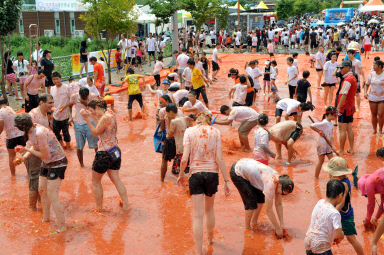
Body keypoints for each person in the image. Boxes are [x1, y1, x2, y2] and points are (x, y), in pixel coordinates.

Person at [177, 112, 230, 255]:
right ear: (209, 121)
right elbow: (219, 158)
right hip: (212, 174)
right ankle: (211, 239)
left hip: (196, 174)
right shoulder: (216, 132)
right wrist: (226, 180)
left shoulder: (189, 131)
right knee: (210, 210)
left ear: (197, 121)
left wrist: (181, 175)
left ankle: (199, 252)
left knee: (197, 216)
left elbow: (184, 159)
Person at [15, 113, 68, 232]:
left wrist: (27, 150)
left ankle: (62, 226)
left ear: (22, 127)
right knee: (42, 189)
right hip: (47, 162)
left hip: (58, 162)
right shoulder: (30, 131)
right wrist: (24, 157)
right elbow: (35, 147)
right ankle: (46, 218)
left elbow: (44, 154)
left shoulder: (40, 132)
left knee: (52, 194)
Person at [80, 99, 129, 211]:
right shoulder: (111, 114)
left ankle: (99, 209)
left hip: (104, 153)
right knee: (116, 179)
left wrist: (87, 119)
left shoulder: (105, 117)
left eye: (93, 111)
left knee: (96, 181)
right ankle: (126, 205)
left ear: (97, 107)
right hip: (115, 150)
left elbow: (95, 132)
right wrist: (92, 117)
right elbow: (102, 128)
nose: (93, 114)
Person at [230, 158, 293, 234]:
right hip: (238, 172)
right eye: (282, 193)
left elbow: (278, 204)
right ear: (280, 186)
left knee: (261, 199)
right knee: (251, 203)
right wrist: (277, 227)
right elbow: (269, 210)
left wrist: (282, 224)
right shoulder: (270, 185)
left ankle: (254, 222)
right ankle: (247, 228)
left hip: (247, 166)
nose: (281, 195)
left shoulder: (279, 180)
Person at [323, 157, 364, 255]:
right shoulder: (339, 181)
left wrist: (330, 213)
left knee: (351, 238)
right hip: (337, 213)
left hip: (345, 215)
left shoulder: (343, 184)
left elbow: (341, 204)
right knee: (332, 235)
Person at [27, 94, 54, 210]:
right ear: (41, 102)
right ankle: (32, 210)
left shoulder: (45, 114)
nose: (52, 105)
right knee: (34, 181)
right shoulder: (33, 115)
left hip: (41, 152)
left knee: (41, 180)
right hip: (32, 152)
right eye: (50, 103)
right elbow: (28, 134)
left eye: (52, 103)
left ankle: (40, 204)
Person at [304, 179, 345, 255]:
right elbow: (339, 235)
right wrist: (342, 235)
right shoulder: (335, 213)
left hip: (308, 240)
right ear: (340, 195)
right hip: (321, 245)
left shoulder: (320, 202)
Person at [70, 87, 98, 167]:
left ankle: (98, 162)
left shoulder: (93, 96)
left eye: (86, 96)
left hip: (91, 123)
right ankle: (81, 165)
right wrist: (70, 116)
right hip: (78, 123)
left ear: (88, 94)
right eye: (83, 97)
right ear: (79, 94)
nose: (85, 98)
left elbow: (95, 108)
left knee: (95, 145)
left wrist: (84, 102)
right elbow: (70, 105)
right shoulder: (74, 96)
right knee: (79, 146)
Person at [0, 97, 26, 176]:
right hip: (20, 134)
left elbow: (1, 126)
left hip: (11, 136)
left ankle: (13, 175)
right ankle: (30, 172)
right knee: (24, 154)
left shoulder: (1, 112)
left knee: (11, 156)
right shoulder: (11, 109)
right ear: (7, 103)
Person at [336, 60, 357, 155]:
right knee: (349, 128)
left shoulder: (348, 80)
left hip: (344, 108)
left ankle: (341, 150)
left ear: (348, 68)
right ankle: (351, 148)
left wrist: (338, 108)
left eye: (342, 68)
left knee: (342, 129)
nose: (340, 69)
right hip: (350, 106)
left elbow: (343, 95)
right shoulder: (353, 78)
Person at [310, 106, 337, 178]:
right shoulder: (324, 122)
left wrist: (333, 145)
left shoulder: (331, 123)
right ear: (329, 115)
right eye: (335, 115)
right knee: (321, 161)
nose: (336, 117)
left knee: (332, 161)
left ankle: (331, 177)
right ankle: (316, 177)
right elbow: (311, 125)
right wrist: (319, 131)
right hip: (321, 144)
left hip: (328, 145)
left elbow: (331, 136)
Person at [51, 72, 72, 149]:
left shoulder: (67, 87)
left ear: (61, 79)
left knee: (65, 132)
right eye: (54, 79)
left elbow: (71, 100)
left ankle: (68, 146)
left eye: (57, 79)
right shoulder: (52, 89)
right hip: (56, 114)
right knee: (56, 132)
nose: (56, 81)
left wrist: (65, 107)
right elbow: (52, 102)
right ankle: (61, 144)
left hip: (65, 115)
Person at [364, 60, 384, 134]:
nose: (373, 66)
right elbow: (367, 84)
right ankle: (374, 129)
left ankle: (380, 130)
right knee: (374, 114)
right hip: (372, 97)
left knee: (381, 114)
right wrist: (365, 92)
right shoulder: (371, 74)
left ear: (380, 66)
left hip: (382, 97)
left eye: (374, 65)